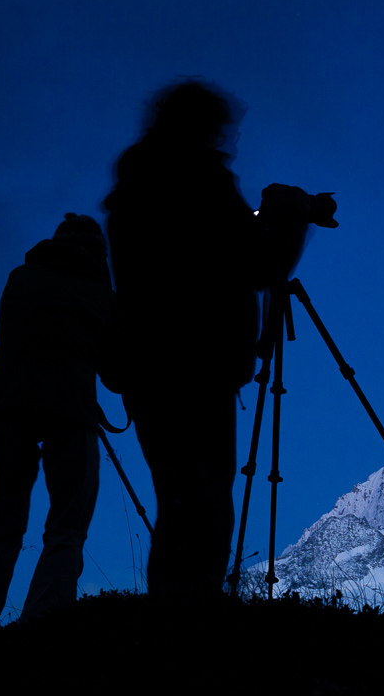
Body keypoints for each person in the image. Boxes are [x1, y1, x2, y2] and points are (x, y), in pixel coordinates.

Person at [104, 80, 264, 600]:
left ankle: (170, 619)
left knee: (178, 498)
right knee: (207, 497)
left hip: (150, 366)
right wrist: (289, 219)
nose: (227, 139)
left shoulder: (136, 182)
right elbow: (253, 260)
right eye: (219, 128)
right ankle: (193, 620)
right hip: (199, 363)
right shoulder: (197, 180)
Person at [0, 214, 118, 637]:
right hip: (70, 411)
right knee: (67, 526)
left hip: (7, 406)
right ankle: (43, 622)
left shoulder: (20, 279)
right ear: (99, 252)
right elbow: (116, 373)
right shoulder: (101, 294)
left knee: (1, 520)